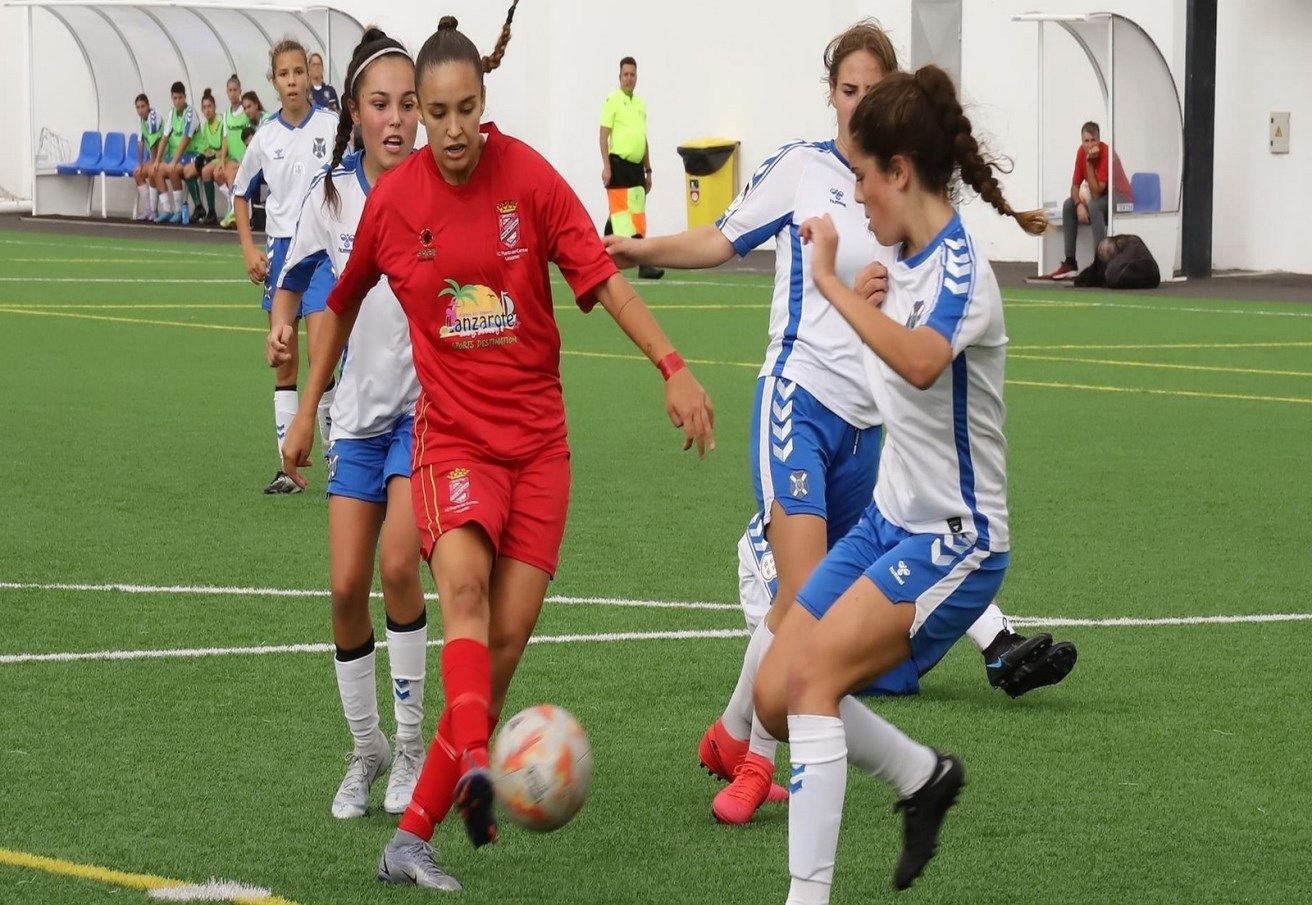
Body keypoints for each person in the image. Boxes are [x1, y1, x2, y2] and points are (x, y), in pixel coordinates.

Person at [282, 9, 715, 891]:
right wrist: (305, 406)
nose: (446, 131)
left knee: (505, 643)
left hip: (541, 450)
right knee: (466, 596)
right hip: (454, 442)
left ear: (483, 103)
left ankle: (412, 832)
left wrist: (672, 364)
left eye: (461, 110)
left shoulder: (531, 181)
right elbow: (346, 298)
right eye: (432, 113)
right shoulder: (394, 204)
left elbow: (600, 278)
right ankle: (476, 764)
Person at [605, 21, 1076, 827]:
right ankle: (756, 761)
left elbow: (918, 315)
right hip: (798, 399)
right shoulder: (804, 170)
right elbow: (722, 239)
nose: (857, 104)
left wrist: (870, 294)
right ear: (831, 93)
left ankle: (734, 731)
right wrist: (634, 246)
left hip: (870, 424)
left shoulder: (899, 186)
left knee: (828, 616)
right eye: (847, 89)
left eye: (872, 91)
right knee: (801, 602)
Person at [748, 64, 1049, 901]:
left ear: (901, 172)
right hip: (886, 523)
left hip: (955, 539)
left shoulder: (961, 271)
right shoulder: (900, 256)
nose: (858, 193)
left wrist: (840, 289)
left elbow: (920, 363)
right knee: (776, 693)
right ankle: (921, 775)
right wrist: (861, 291)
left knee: (810, 682)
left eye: (864, 174)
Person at [267, 26, 427, 821]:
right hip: (356, 419)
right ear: (355, 113)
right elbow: (296, 278)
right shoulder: (331, 195)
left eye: (408, 105)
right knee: (342, 587)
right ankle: (364, 748)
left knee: (400, 565)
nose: (396, 119)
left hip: (427, 416)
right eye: (380, 104)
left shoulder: (442, 186)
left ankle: (408, 744)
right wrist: (284, 328)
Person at [232, 39, 340, 494]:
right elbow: (240, 193)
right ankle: (287, 469)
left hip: (321, 257)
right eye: (284, 74)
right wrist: (249, 250)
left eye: (299, 72)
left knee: (323, 355)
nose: (293, 80)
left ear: (310, 76)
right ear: (273, 81)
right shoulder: (265, 138)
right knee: (285, 363)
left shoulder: (334, 126)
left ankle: (339, 462)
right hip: (280, 257)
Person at [1043, 120, 1134, 280]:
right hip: (1101, 197)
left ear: (1099, 140)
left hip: (1120, 198)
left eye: (1093, 140)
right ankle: (1070, 262)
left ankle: (1100, 263)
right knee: (1068, 205)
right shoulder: (1081, 152)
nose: (1090, 145)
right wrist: (1078, 204)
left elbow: (1097, 193)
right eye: (1086, 141)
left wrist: (1090, 164)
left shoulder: (1106, 153)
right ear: (1082, 142)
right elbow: (1074, 186)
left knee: (1094, 205)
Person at [600, 56, 663, 279]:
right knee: (621, 217)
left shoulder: (640, 104)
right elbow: (604, 135)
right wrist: (606, 166)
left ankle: (599, 257)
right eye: (626, 74)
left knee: (634, 216)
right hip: (618, 164)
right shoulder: (612, 101)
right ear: (620, 77)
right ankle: (641, 262)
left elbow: (642, 138)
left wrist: (649, 170)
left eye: (632, 75)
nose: (629, 78)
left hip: (637, 167)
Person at [151, 81, 197, 223]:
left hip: (190, 155)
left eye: (180, 98)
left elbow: (185, 140)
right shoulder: (172, 113)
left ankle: (178, 210)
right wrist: (157, 160)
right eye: (175, 98)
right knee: (156, 170)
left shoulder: (190, 112)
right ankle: (167, 210)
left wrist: (173, 161)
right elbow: (164, 138)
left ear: (185, 97)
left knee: (173, 169)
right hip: (176, 157)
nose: (178, 101)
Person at [183, 88, 223, 225]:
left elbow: (224, 148)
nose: (207, 110)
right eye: (204, 107)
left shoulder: (222, 122)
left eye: (209, 107)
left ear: (214, 107)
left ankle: (212, 212)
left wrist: (211, 156)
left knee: (205, 171)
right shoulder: (205, 126)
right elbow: (206, 149)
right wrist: (204, 156)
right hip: (211, 159)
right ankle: (199, 207)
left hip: (222, 158)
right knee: (187, 171)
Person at [215, 75, 249, 228]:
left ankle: (234, 212)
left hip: (245, 159)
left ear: (240, 91)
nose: (233, 93)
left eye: (235, 90)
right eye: (230, 90)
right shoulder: (226, 114)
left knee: (231, 174)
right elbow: (225, 140)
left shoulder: (246, 111)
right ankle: (232, 206)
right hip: (232, 158)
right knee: (217, 173)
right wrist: (222, 161)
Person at [132, 94, 165, 221]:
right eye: (138, 107)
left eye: (143, 106)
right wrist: (140, 164)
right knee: (137, 173)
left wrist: (154, 162)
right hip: (154, 156)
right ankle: (148, 209)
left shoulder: (153, 117)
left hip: (164, 156)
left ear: (148, 106)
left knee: (152, 171)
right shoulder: (140, 120)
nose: (140, 110)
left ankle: (155, 210)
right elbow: (140, 142)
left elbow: (154, 142)